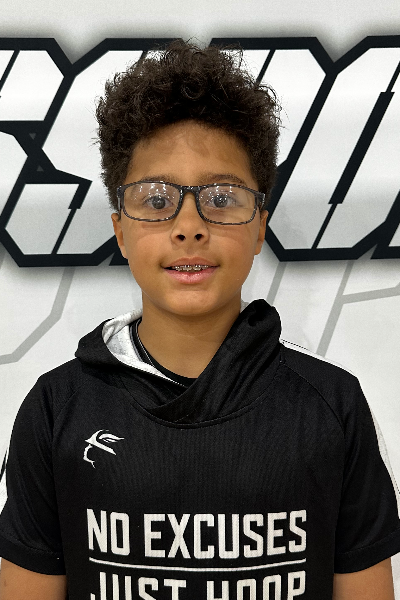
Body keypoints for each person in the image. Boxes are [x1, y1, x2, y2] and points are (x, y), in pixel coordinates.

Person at [0, 40, 399, 600]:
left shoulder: (332, 406)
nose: (189, 225)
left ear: (259, 226)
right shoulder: (56, 410)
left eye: (221, 197)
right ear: (120, 230)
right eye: (156, 199)